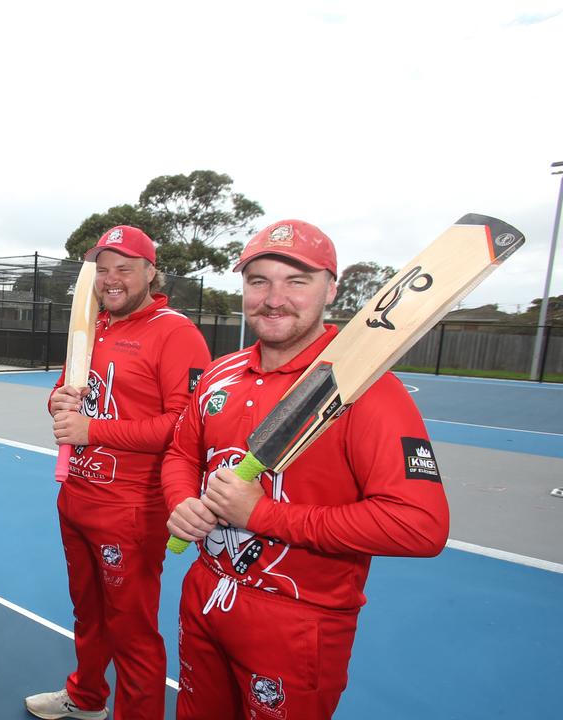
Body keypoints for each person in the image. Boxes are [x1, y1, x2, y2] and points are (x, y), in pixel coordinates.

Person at [162, 220, 450, 719]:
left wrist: (261, 515)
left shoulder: (368, 391)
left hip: (298, 618)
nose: (274, 298)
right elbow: (182, 454)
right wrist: (181, 500)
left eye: (296, 281)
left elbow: (419, 526)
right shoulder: (219, 373)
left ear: (331, 289)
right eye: (259, 281)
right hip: (207, 593)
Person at [25, 226, 211, 720]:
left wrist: (93, 430)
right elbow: (67, 393)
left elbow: (185, 427)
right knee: (88, 614)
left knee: (131, 629)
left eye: (124, 268)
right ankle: (86, 698)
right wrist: (58, 402)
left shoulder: (176, 333)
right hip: (77, 495)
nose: (111, 279)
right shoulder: (93, 324)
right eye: (103, 269)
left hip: (131, 508)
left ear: (151, 272)